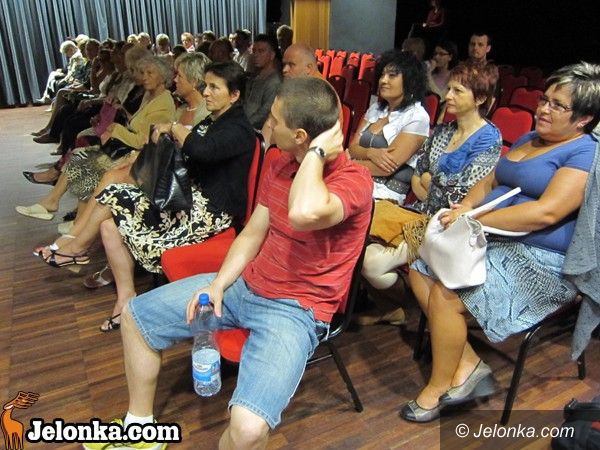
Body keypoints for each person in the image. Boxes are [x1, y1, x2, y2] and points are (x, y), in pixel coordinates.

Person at [82, 76, 372, 450]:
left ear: (301, 136)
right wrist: (217, 284)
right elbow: (252, 234)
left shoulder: (354, 180)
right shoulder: (280, 162)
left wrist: (315, 154)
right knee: (136, 318)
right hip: (246, 288)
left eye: (275, 119)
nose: (267, 124)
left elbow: (303, 212)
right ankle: (138, 427)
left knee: (248, 430)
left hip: (295, 311)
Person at [403, 62, 600, 422]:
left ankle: (438, 387)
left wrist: (474, 220)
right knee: (420, 268)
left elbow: (546, 213)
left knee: (447, 293)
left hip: (541, 259)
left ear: (584, 119)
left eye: (558, 105)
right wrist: (467, 206)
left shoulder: (584, 153)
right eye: (544, 99)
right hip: (494, 238)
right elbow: (491, 181)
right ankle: (468, 365)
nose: (544, 109)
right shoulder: (529, 139)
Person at [51, 61, 254, 332]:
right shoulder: (214, 120)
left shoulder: (239, 128)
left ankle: (77, 249)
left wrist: (174, 128)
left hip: (210, 213)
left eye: (214, 87)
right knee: (109, 226)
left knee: (113, 192)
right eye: (205, 85)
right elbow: (194, 152)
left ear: (234, 95)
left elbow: (202, 150)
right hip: (189, 200)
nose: (206, 92)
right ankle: (124, 299)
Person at [361, 62, 501, 313]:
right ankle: (397, 309)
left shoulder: (489, 139)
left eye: (457, 91)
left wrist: (430, 180)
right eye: (449, 89)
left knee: (371, 265)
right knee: (362, 250)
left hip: (447, 226)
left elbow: (462, 195)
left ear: (479, 99)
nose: (448, 96)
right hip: (420, 213)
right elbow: (418, 176)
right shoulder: (444, 131)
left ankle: (411, 307)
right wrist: (430, 182)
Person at [349, 50, 429, 203]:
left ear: (409, 81)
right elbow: (353, 147)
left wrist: (348, 165)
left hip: (385, 193)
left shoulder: (417, 116)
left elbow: (385, 168)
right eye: (382, 75)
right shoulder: (376, 109)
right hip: (357, 179)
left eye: (392, 76)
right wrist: (370, 153)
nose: (383, 80)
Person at [243, 34, 282, 129]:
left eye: (261, 51)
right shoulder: (255, 75)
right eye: (254, 51)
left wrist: (243, 125)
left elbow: (265, 112)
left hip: (258, 130)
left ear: (272, 55)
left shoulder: (275, 81)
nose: (256, 55)